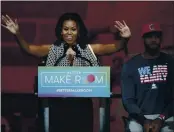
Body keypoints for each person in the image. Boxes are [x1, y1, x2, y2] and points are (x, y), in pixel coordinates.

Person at [2, 13, 131, 132]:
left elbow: (115, 47)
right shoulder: (52, 49)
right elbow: (29, 49)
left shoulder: (88, 49)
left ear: (78, 31)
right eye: (66, 29)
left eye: (73, 29)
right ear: (60, 31)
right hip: (57, 106)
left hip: (81, 107)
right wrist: (17, 34)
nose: (69, 32)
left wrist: (125, 39)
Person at [121, 22, 174, 132]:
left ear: (161, 39)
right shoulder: (131, 65)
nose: (153, 40)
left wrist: (161, 118)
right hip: (139, 117)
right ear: (143, 39)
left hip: (166, 116)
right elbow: (128, 100)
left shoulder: (171, 62)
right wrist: (143, 120)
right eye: (149, 37)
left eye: (157, 36)